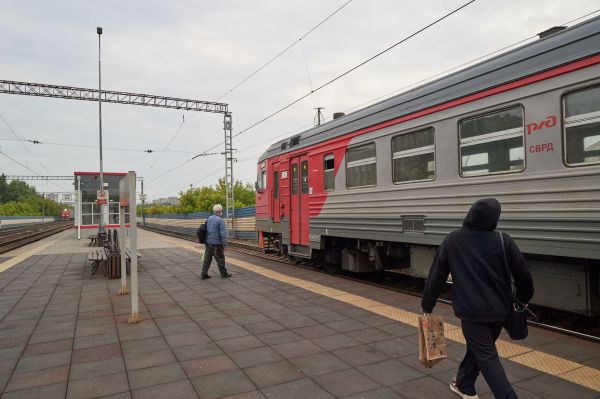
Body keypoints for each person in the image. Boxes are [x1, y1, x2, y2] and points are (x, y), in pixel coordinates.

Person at [421, 198, 533, 399]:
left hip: (472, 312)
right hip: (500, 311)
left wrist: (427, 305)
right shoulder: (503, 240)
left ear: (470, 214)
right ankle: (464, 384)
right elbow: (524, 277)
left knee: (487, 356)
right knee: (481, 349)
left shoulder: (453, 240)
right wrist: (523, 300)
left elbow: (436, 275)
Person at [201, 204, 232, 279]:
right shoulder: (220, 220)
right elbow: (223, 234)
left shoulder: (209, 218)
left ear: (214, 211)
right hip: (217, 244)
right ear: (220, 211)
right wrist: (225, 244)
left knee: (207, 259)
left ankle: (204, 274)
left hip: (208, 243)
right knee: (220, 259)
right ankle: (224, 274)